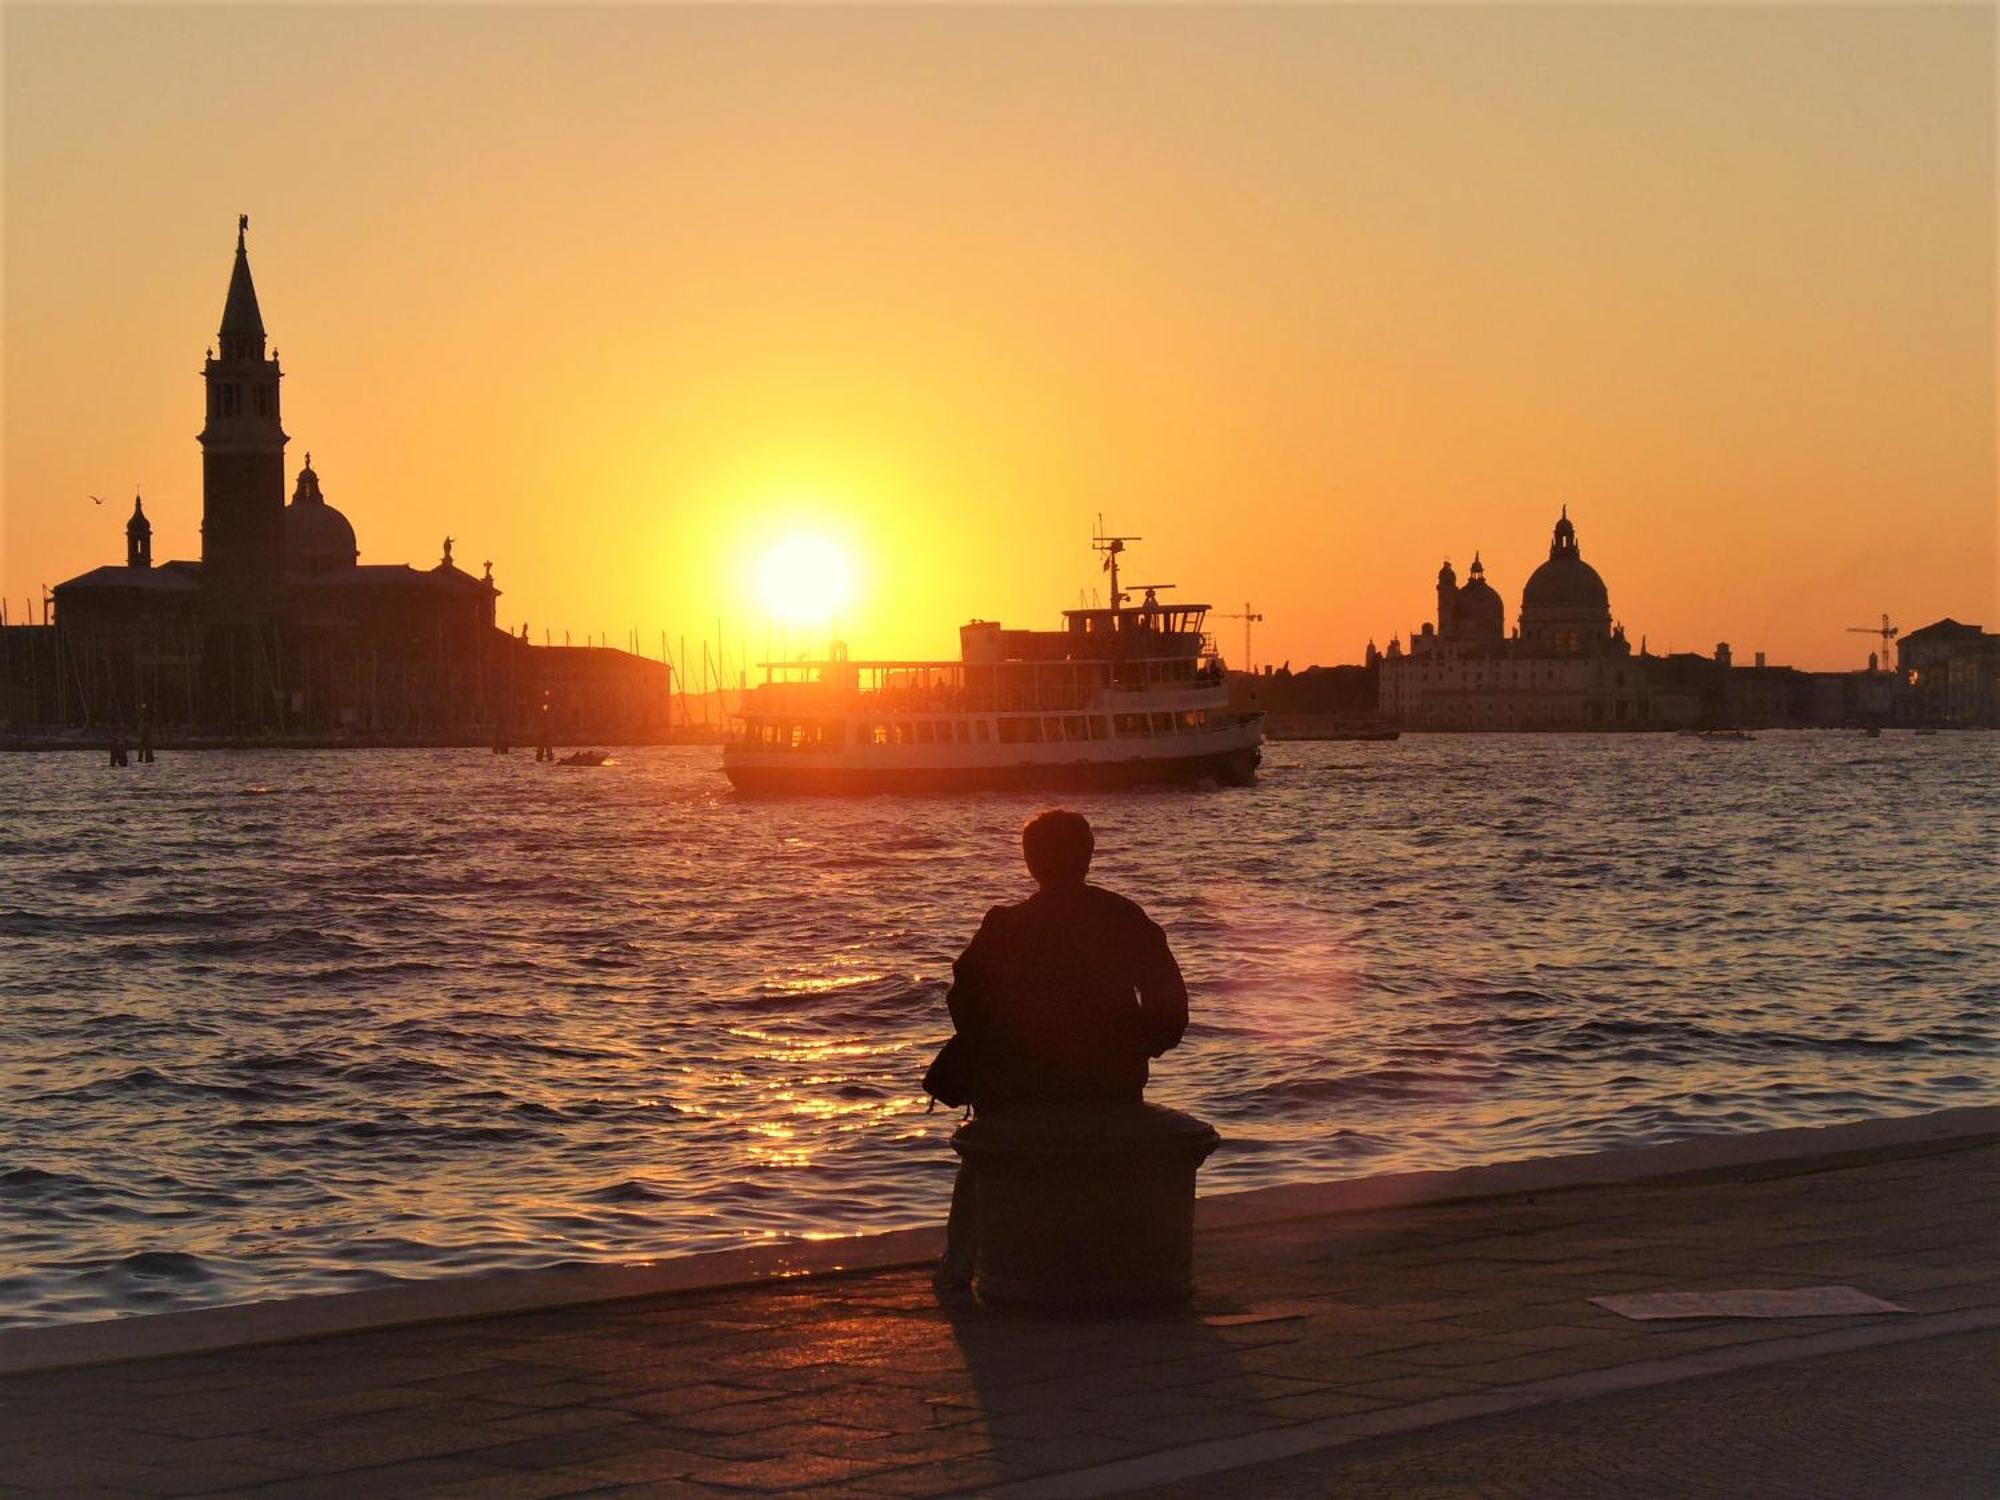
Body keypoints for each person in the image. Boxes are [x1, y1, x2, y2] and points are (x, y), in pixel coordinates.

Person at [936, 809, 1188, 1293]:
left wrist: (1003, 1051)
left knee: (980, 1155)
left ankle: (959, 1266)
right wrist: (1133, 1048)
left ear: (1030, 863)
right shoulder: (1124, 917)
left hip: (1022, 1086)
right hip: (1111, 1081)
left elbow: (964, 1002)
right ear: (1089, 857)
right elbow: (1170, 1006)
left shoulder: (1005, 926)